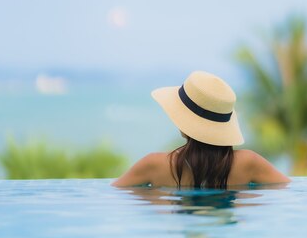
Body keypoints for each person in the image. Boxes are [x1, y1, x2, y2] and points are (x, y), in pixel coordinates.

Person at [111, 70, 290, 189]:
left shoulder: (154, 165)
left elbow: (116, 195)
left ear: (184, 123)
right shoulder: (250, 163)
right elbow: (287, 189)